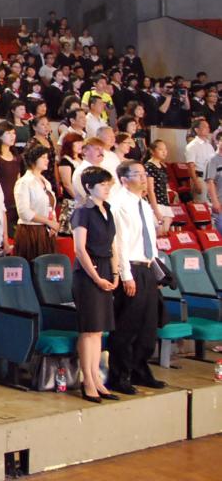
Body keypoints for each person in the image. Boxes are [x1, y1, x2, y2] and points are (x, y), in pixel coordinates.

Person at [107, 160, 166, 395]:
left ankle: (140, 370)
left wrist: (158, 271)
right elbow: (119, 243)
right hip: (131, 268)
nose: (143, 178)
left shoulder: (143, 203)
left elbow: (149, 240)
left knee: (148, 326)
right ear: (124, 179)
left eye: (144, 173)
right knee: (127, 326)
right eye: (137, 174)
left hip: (147, 267)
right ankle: (119, 376)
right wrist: (126, 275)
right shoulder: (119, 204)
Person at [70, 166, 121, 403]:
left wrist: (115, 272)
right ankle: (87, 380)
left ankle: (97, 378)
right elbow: (79, 249)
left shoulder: (107, 209)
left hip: (106, 268)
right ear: (89, 187)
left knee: (99, 330)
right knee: (89, 329)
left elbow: (112, 245)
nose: (107, 188)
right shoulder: (83, 211)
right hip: (87, 273)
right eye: (102, 184)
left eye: (109, 184)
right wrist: (96, 276)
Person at [12, 145, 58, 262]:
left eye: (47, 157)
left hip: (46, 231)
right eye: (43, 157)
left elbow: (50, 206)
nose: (47, 160)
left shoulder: (46, 182)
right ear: (33, 159)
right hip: (31, 231)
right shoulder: (24, 182)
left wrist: (53, 222)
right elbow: (24, 212)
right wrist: (48, 221)